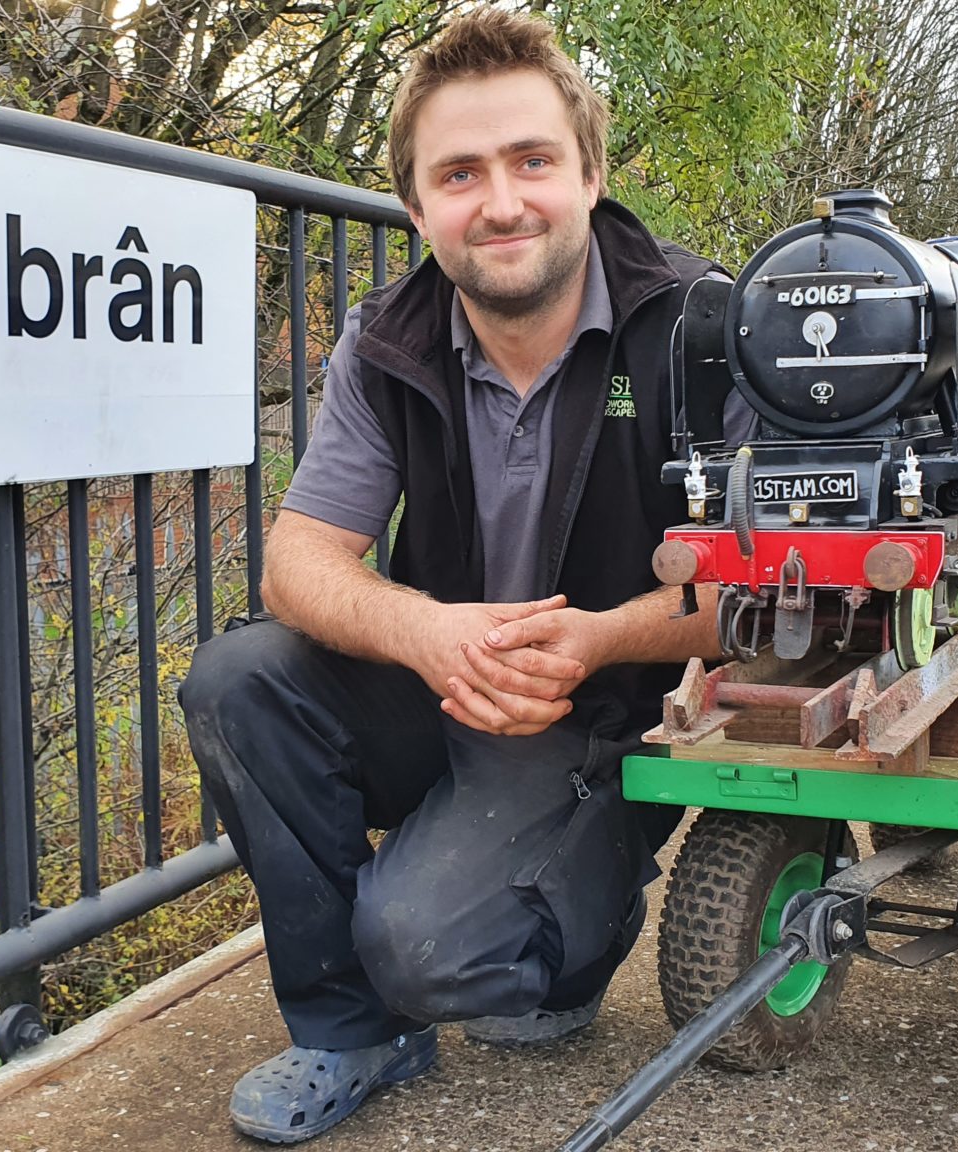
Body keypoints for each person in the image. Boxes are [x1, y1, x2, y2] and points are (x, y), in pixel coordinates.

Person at [178, 7, 734, 1142]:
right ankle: (348, 1033)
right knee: (237, 681)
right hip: (446, 685)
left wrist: (597, 638)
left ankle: (573, 927)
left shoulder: (697, 329)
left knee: (430, 949)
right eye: (460, 172)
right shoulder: (388, 340)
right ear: (417, 204)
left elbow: (774, 589)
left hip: (606, 716)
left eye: (532, 160)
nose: (501, 200)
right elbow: (297, 561)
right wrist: (427, 632)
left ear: (589, 176)